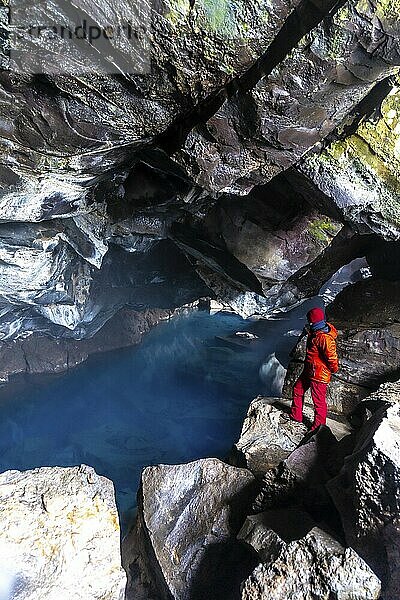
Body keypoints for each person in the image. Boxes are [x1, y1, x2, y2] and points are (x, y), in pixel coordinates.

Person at [290, 307, 339, 430]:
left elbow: (332, 357)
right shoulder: (316, 331)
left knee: (318, 402)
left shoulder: (324, 338)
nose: (309, 323)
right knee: (298, 389)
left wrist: (332, 370)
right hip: (309, 370)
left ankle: (318, 428)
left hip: (318, 374)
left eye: (310, 321)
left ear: (313, 321)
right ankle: (296, 415)